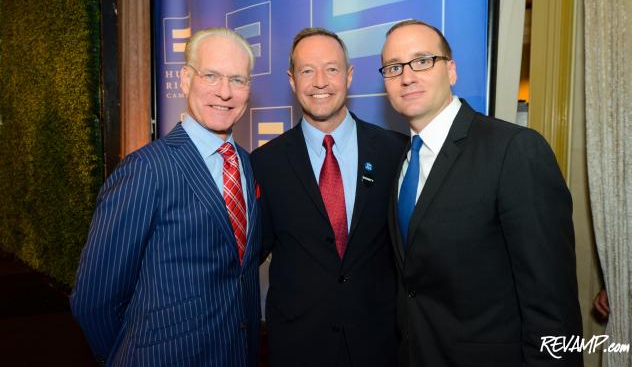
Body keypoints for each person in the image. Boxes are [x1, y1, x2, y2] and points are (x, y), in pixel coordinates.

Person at [380, 20, 583, 366]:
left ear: (452, 70)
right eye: (394, 67)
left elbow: (553, 306)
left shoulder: (514, 151)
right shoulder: (402, 161)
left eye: (422, 60)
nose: (407, 76)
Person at [70, 28, 261, 366]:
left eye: (238, 80)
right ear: (186, 79)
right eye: (211, 76)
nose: (225, 92)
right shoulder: (146, 169)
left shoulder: (245, 164)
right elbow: (94, 298)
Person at [251, 27, 406, 367]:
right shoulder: (264, 163)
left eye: (332, 69)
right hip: (298, 348)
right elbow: (249, 256)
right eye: (307, 70)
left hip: (380, 346)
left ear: (349, 76)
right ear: (292, 80)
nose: (320, 82)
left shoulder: (396, 152)